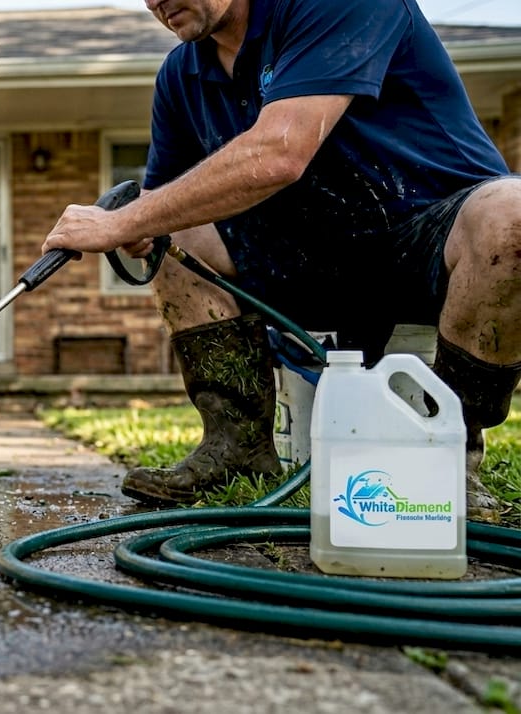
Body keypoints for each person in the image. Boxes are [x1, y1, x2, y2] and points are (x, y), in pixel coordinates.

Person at [41, 0, 521, 522]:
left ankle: (448, 455)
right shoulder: (182, 75)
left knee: (512, 216)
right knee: (169, 229)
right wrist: (139, 228)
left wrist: (122, 222)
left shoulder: (341, 6)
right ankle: (236, 448)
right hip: (307, 260)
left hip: (426, 238)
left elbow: (280, 153)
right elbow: (160, 202)